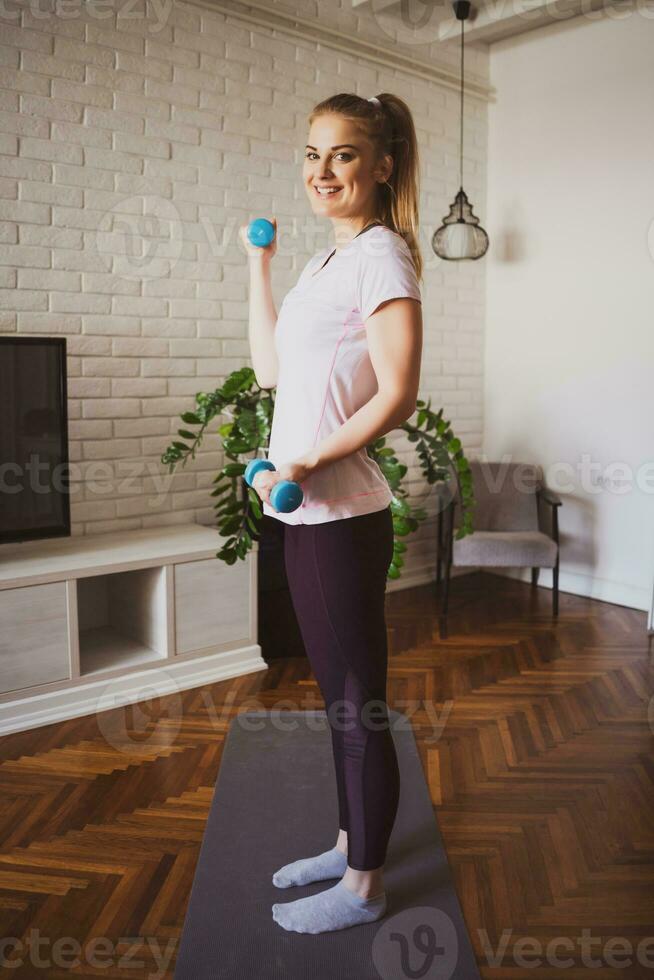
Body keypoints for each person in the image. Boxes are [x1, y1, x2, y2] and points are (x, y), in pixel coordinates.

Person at [240, 92, 423, 935]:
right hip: (306, 516)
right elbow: (274, 374)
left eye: (342, 154)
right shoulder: (326, 263)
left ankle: (363, 887)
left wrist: (309, 459)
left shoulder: (381, 256)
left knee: (358, 701)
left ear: (381, 166)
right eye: (312, 154)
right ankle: (352, 840)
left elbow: (396, 395)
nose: (321, 171)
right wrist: (260, 269)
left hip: (340, 513)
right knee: (337, 698)